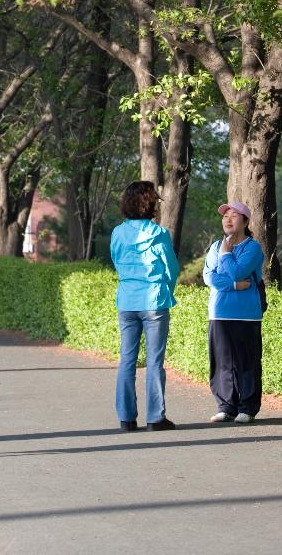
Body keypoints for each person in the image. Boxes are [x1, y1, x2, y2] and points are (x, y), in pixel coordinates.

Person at [110, 180, 180, 432]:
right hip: (154, 301)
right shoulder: (159, 234)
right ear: (150, 204)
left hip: (127, 300)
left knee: (127, 360)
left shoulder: (118, 232)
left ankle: (126, 418)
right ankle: (155, 417)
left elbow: (116, 261)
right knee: (154, 361)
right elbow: (171, 268)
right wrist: (167, 290)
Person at [203, 200, 265, 424]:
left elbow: (238, 271)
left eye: (234, 216)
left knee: (247, 361)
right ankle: (226, 406)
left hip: (246, 313)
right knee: (222, 362)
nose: (227, 219)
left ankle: (247, 408)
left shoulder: (253, 248)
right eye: (225, 216)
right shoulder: (215, 246)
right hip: (219, 312)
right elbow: (209, 276)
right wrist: (233, 285)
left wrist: (226, 256)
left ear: (246, 221)